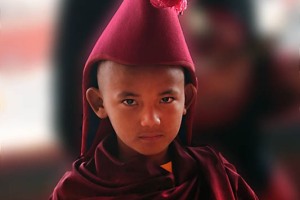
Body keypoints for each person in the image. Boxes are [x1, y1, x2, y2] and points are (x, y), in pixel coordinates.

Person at [50, 0, 258, 199]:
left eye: (166, 99)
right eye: (130, 102)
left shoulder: (215, 176)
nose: (151, 120)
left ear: (187, 98)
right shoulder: (77, 191)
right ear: (98, 102)